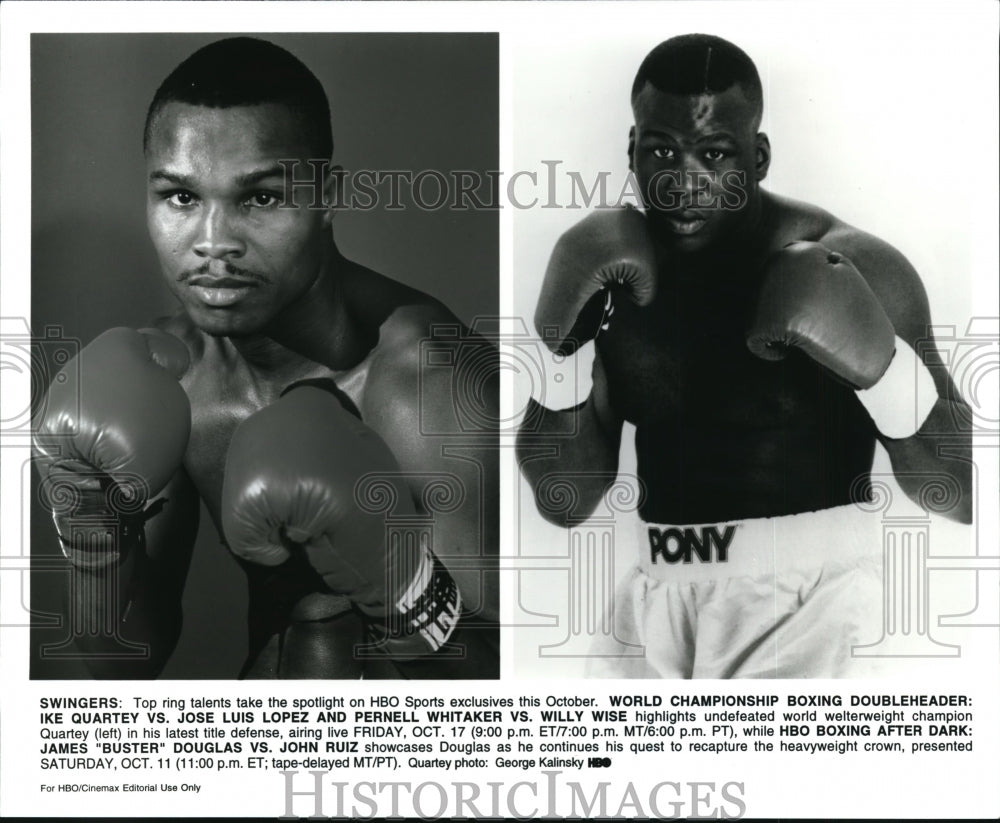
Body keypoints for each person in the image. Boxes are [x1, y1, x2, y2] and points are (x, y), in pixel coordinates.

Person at [34, 37, 499, 679]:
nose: (214, 243)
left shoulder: (429, 380)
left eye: (259, 198)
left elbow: (515, 711)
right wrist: (89, 525)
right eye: (181, 197)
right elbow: (121, 666)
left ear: (327, 196)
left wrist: (403, 587)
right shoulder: (174, 379)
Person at [517, 34, 972, 678]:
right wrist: (562, 349)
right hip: (651, 604)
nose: (683, 181)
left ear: (757, 157)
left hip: (813, 608)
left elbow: (960, 489)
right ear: (632, 150)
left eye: (715, 154)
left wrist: (884, 368)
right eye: (661, 150)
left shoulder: (858, 265)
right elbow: (563, 502)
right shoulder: (612, 273)